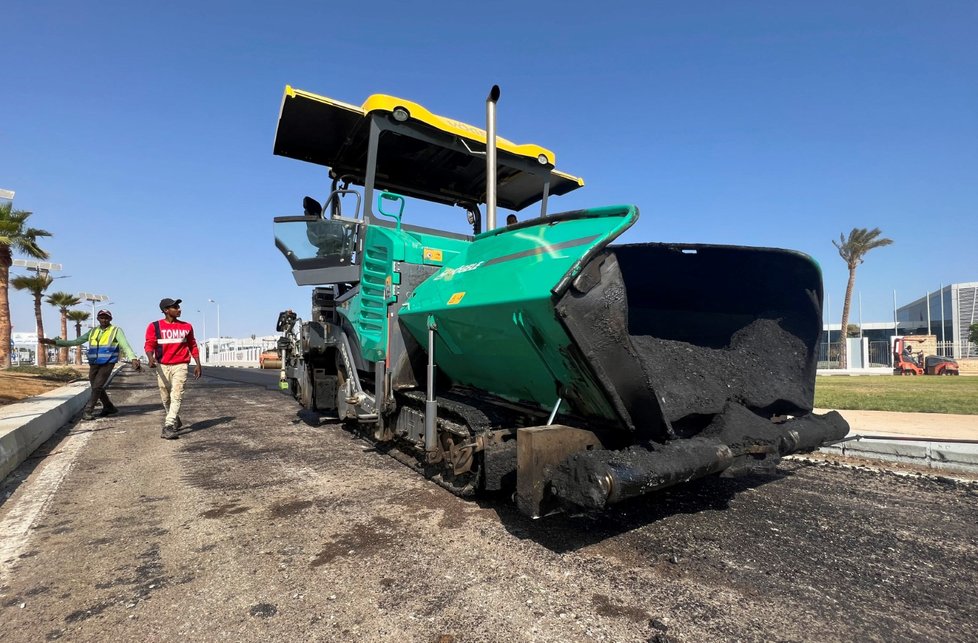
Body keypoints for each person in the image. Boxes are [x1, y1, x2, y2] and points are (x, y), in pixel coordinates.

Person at [40, 310, 141, 421]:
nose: (104, 320)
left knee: (97, 386)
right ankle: (109, 407)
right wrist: (54, 342)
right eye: (102, 317)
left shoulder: (116, 330)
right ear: (98, 319)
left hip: (108, 361)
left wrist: (133, 358)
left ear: (110, 319)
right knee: (96, 387)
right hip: (94, 363)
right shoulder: (93, 331)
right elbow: (76, 342)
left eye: (106, 318)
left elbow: (125, 345)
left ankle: (88, 411)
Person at [145, 298, 202, 440]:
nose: (179, 309)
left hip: (181, 365)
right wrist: (150, 358)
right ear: (166, 310)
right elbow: (149, 344)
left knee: (177, 393)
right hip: (162, 365)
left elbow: (192, 345)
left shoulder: (187, 326)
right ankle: (174, 417)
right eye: (175, 307)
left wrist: (197, 363)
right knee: (165, 396)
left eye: (178, 307)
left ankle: (168, 425)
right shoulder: (154, 326)